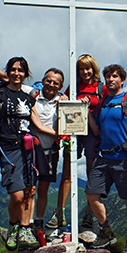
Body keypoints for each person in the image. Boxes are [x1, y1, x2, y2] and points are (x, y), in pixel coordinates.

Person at [0, 43, 67, 233]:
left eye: (56, 83)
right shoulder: (26, 93)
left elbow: (45, 124)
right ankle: (19, 226)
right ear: (42, 80)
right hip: (21, 148)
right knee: (22, 193)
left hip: (41, 150)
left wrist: (64, 133)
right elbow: (7, 79)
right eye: (48, 80)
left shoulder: (53, 100)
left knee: (36, 191)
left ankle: (33, 226)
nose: (51, 84)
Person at [86, 64, 127, 253]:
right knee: (91, 194)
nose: (110, 79)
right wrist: (86, 111)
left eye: (114, 76)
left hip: (125, 159)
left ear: (122, 79)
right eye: (108, 77)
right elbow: (96, 130)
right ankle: (106, 231)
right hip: (103, 158)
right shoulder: (103, 102)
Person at [46, 54, 108, 230]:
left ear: (93, 69)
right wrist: (64, 99)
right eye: (81, 68)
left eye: (87, 68)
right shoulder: (73, 87)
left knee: (91, 175)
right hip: (73, 131)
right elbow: (63, 103)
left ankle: (89, 214)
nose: (85, 72)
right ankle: (60, 214)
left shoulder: (100, 87)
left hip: (92, 133)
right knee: (67, 173)